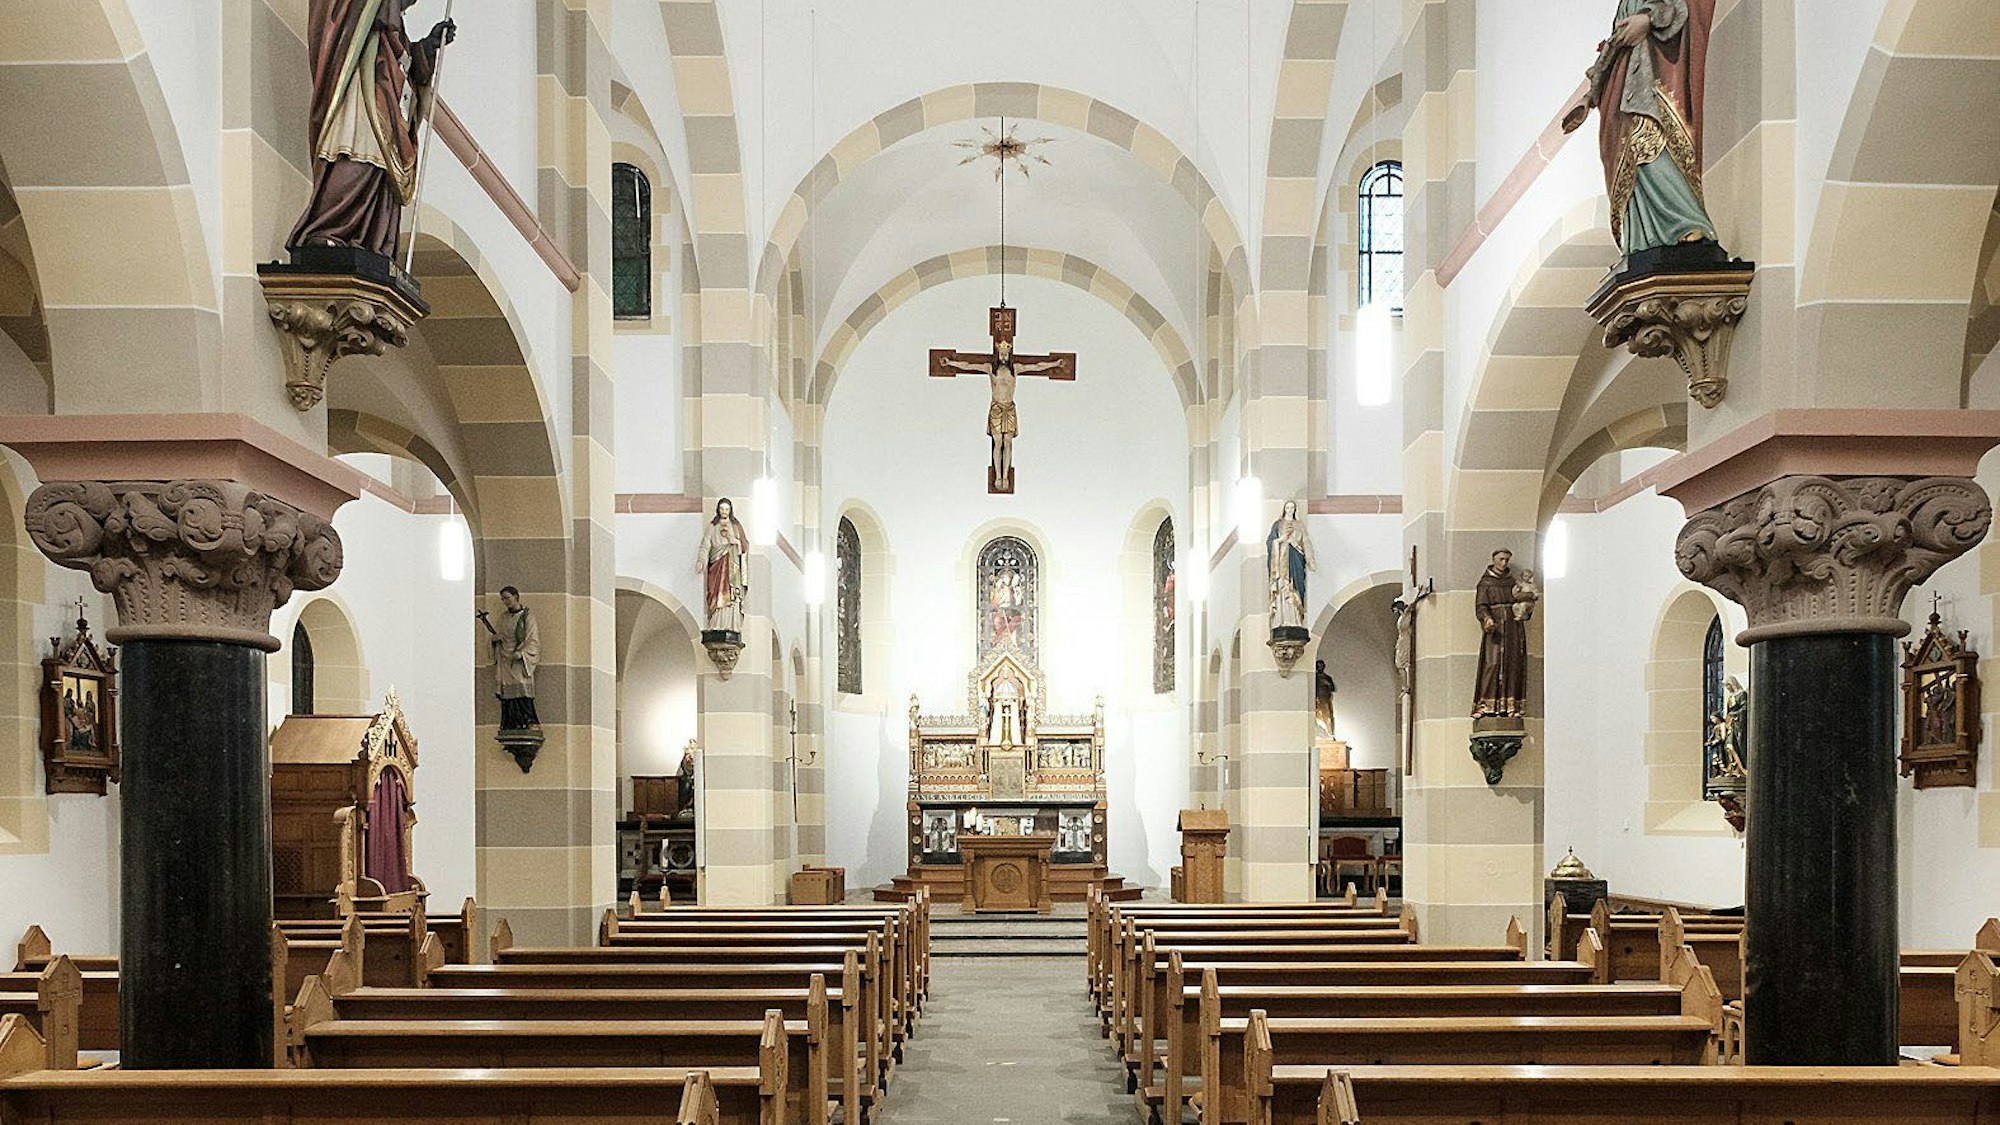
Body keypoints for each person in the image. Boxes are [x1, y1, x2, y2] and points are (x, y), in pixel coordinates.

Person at [288, 0, 457, 259]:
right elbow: (342, 24)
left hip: (384, 97)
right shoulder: (362, 12)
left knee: (382, 169)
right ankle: (328, 230)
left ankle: (369, 241)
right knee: (359, 154)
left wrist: (426, 48)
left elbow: (401, 61)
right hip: (361, 89)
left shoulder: (391, 23)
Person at [1561, 0, 1721, 260]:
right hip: (1622, 89)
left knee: (1651, 148)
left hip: (1653, 78)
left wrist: (1649, 18)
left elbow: (1686, 7)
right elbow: (1614, 47)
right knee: (1632, 162)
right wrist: (1589, 98)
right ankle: (1641, 240)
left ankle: (1686, 222)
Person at [1472, 549, 1537, 719]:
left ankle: (1510, 704)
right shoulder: (1485, 583)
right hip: (1496, 629)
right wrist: (1486, 619)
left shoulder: (1512, 582)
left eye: (1507, 560)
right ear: (1493, 560)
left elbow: (1523, 599)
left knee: (1513, 664)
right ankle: (1486, 704)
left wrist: (1527, 606)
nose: (1504, 563)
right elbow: (1481, 606)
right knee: (1492, 664)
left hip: (1513, 627)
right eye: (1501, 559)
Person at [480, 586, 540, 729]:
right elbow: (497, 636)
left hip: (519, 660)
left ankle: (529, 721)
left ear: (516, 596)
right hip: (505, 660)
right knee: (507, 695)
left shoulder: (527, 617)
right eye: (503, 599)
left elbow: (533, 640)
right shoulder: (503, 618)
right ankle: (509, 723)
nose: (505, 601)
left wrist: (522, 653)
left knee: (522, 691)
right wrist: (494, 640)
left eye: (507, 598)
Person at [696, 498, 749, 635]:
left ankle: (732, 623)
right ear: (718, 510)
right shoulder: (712, 527)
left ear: (730, 510)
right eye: (722, 509)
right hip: (717, 564)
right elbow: (705, 544)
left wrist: (735, 542)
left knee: (732, 594)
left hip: (733, 565)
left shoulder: (736, 526)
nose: (724, 512)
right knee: (717, 592)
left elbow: (744, 545)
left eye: (726, 509)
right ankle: (716, 622)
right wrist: (701, 560)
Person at [1266, 500, 1316, 632]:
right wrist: (1281, 540)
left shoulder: (1299, 525)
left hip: (1296, 559)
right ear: (1284, 509)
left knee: (1297, 587)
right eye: (1287, 507)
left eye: (1292, 507)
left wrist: (1310, 559)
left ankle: (1296, 619)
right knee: (1283, 587)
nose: (1290, 510)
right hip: (1281, 561)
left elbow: (1306, 542)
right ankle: (1280, 619)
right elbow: (1271, 542)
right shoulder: (1278, 525)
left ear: (1295, 509)